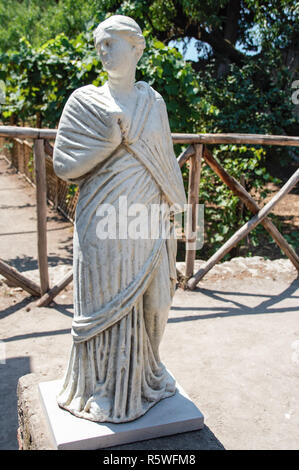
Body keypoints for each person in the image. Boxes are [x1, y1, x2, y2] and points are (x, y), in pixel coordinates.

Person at [53, 15, 186, 423]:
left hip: (148, 216)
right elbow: (63, 164)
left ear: (137, 47)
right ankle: (104, 388)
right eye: (99, 44)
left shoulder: (153, 102)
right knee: (107, 303)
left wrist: (173, 215)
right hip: (102, 220)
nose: (103, 50)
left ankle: (146, 372)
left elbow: (165, 162)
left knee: (156, 299)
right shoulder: (84, 101)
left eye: (111, 42)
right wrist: (110, 142)